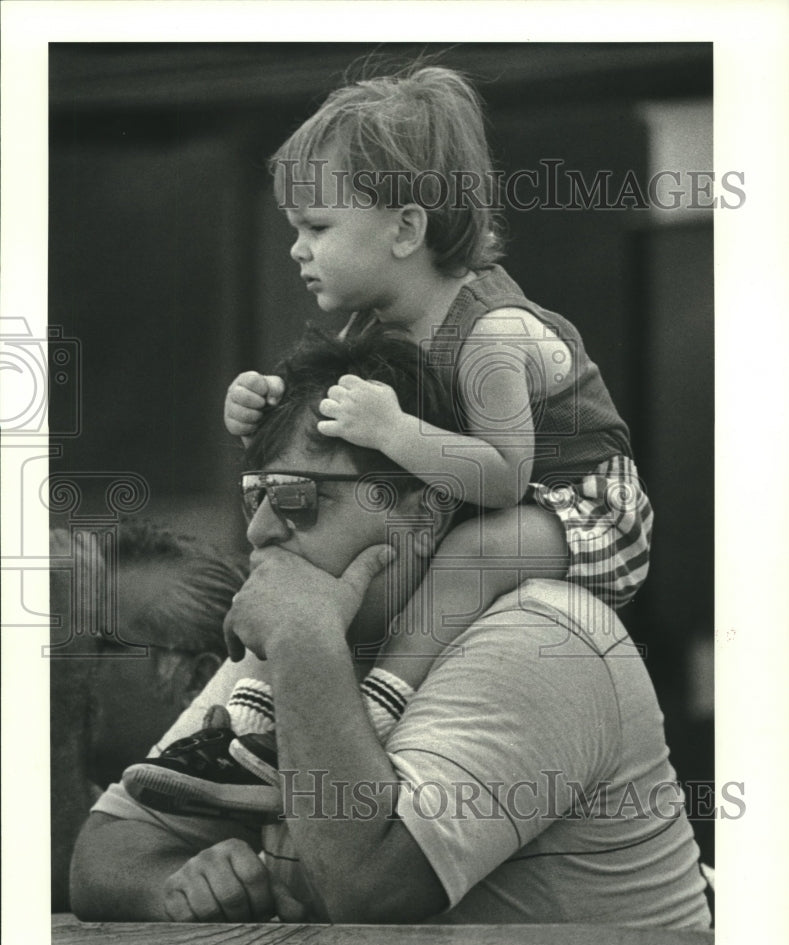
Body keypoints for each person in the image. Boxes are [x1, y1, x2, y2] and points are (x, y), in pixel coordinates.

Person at [123, 62, 654, 813]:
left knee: (471, 549)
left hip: (585, 510)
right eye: (293, 230)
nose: (295, 251)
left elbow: (505, 478)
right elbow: (322, 441)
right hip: (480, 501)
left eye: (316, 228)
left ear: (406, 227)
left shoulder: (491, 336)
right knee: (333, 557)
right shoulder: (372, 326)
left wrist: (394, 428)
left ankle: (376, 706)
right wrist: (258, 406)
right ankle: (252, 727)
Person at [71, 332, 710, 928]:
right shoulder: (322, 618)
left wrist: (302, 646)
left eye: (297, 495)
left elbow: (370, 889)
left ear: (422, 511)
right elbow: (106, 850)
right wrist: (178, 884)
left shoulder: (537, 638)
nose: (260, 530)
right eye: (254, 496)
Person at [49, 519, 245, 910]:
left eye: (95, 643)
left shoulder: (236, 834)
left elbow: (66, 887)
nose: (72, 661)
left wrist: (60, 702)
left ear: (197, 679)